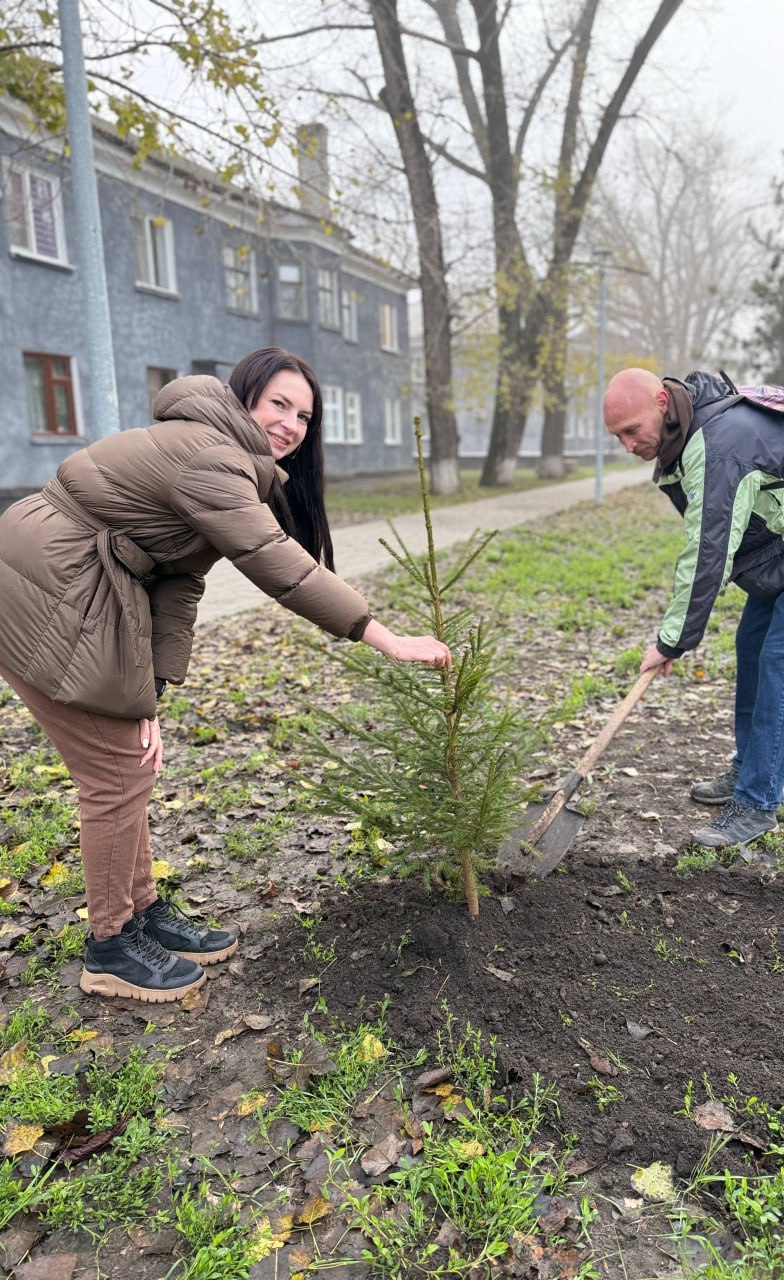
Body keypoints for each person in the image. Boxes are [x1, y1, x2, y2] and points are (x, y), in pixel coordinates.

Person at [0, 347, 451, 1002]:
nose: (292, 424)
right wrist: (384, 638)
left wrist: (149, 691)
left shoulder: (223, 456)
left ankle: (142, 912)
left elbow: (180, 583)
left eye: (303, 415)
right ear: (245, 398)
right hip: (50, 580)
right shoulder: (211, 456)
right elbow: (275, 563)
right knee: (116, 772)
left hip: (80, 582)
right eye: (279, 404)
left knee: (134, 760)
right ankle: (109, 946)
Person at [603, 367, 784, 848]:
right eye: (617, 436)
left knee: (782, 665)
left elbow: (707, 552)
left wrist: (671, 642)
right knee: (752, 647)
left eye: (631, 430)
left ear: (661, 402)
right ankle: (748, 769)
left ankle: (757, 802)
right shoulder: (695, 432)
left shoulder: (720, 444)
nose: (627, 445)